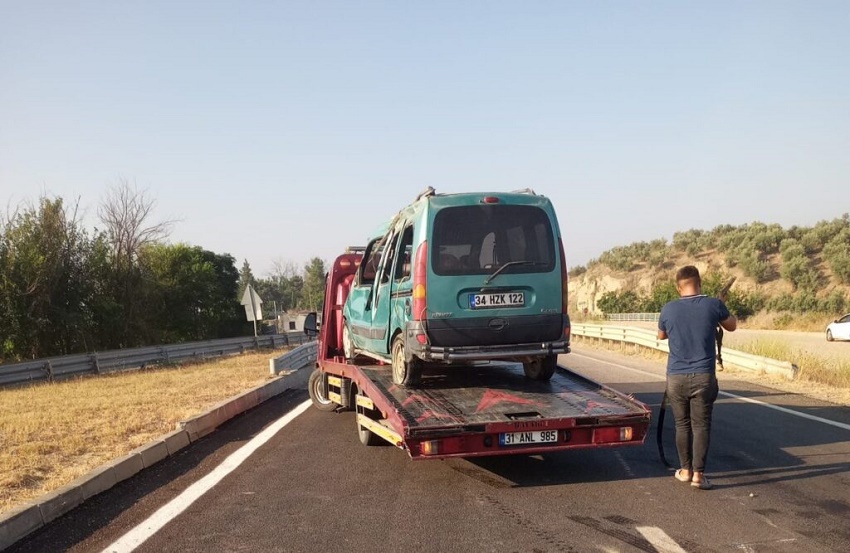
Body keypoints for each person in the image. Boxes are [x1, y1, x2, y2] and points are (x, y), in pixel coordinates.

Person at [657, 265, 737, 490]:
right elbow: (732, 326)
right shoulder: (714, 305)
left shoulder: (669, 308)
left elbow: (660, 335)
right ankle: (699, 476)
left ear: (678, 287)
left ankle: (684, 470)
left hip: (676, 376)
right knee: (701, 425)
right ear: (699, 283)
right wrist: (721, 310)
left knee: (682, 425)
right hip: (703, 376)